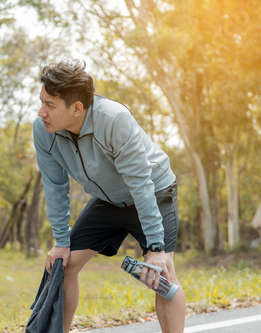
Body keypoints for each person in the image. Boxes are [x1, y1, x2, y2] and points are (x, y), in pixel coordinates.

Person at [33, 59, 186, 333]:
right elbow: (55, 187)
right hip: (109, 201)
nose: (41, 111)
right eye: (42, 101)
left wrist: (156, 248)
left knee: (163, 274)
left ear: (77, 108)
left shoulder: (114, 120)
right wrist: (61, 242)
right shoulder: (44, 132)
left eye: (50, 105)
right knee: (64, 265)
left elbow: (141, 184)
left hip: (153, 190)